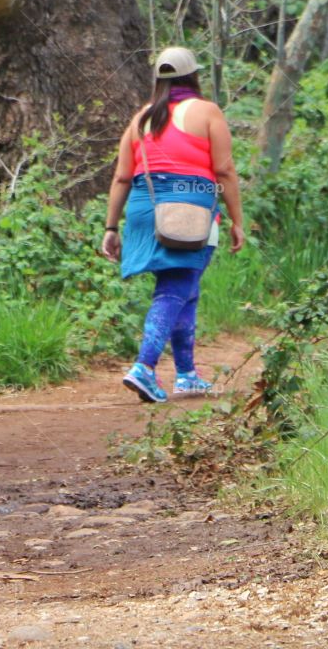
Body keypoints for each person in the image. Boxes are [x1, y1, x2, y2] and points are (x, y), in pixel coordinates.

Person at [102, 47, 245, 403]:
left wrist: (111, 228)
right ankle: (144, 368)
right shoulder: (208, 111)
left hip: (144, 207)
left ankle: (186, 373)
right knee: (176, 285)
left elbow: (121, 177)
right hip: (190, 210)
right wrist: (237, 221)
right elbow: (224, 170)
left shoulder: (141, 118)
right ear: (193, 75)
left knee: (186, 285)